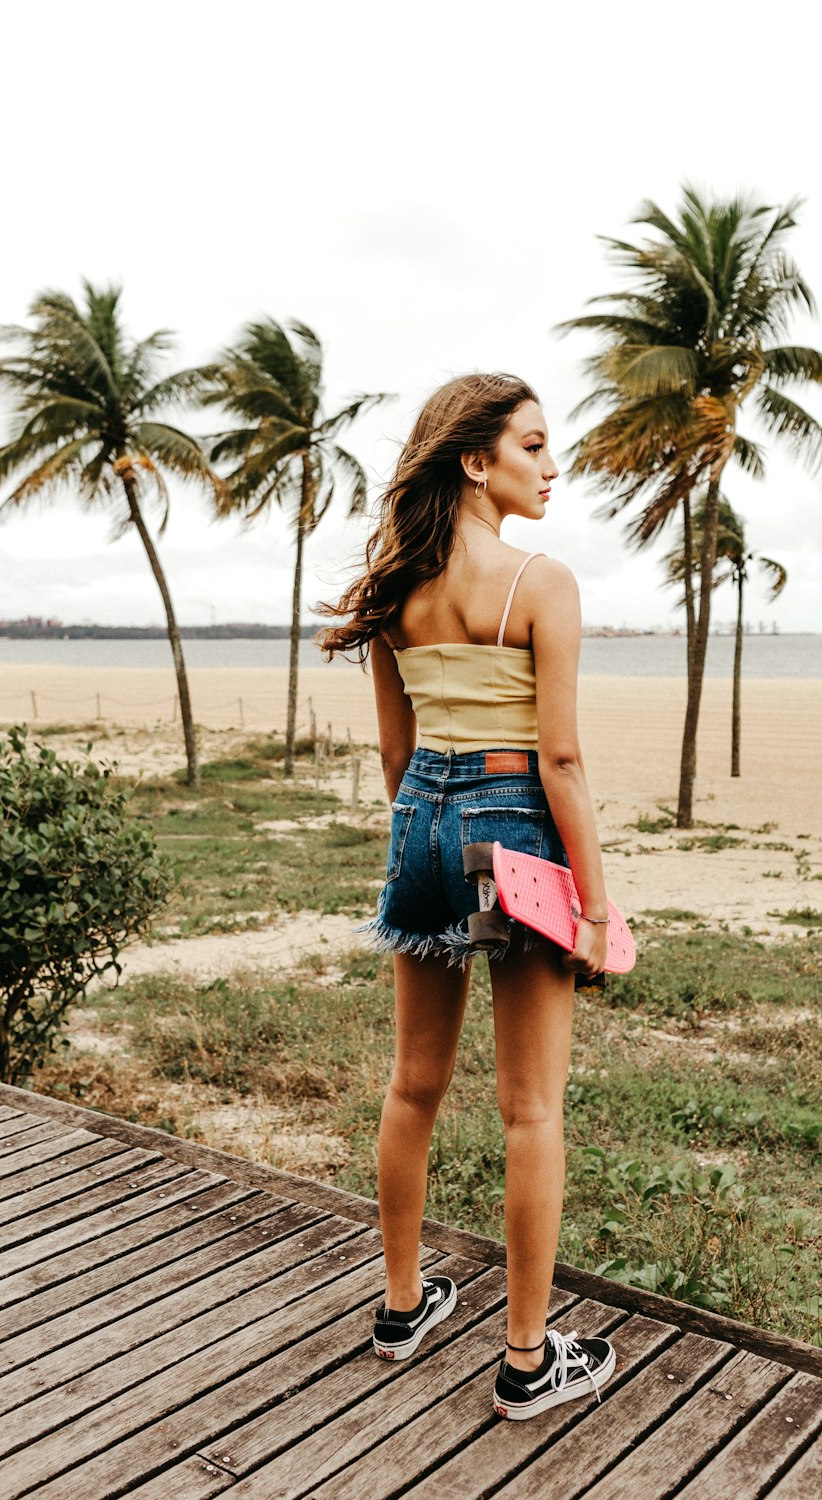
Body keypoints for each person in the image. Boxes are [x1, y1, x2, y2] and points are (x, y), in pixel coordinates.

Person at [318, 371, 615, 1420]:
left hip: (423, 820)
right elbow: (562, 760)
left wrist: (430, 844)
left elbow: (398, 757)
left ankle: (402, 1309)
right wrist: (598, 903)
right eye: (532, 446)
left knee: (412, 1085)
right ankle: (529, 1361)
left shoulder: (397, 589)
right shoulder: (542, 582)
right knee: (531, 1106)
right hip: (516, 819)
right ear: (475, 461)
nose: (551, 464)